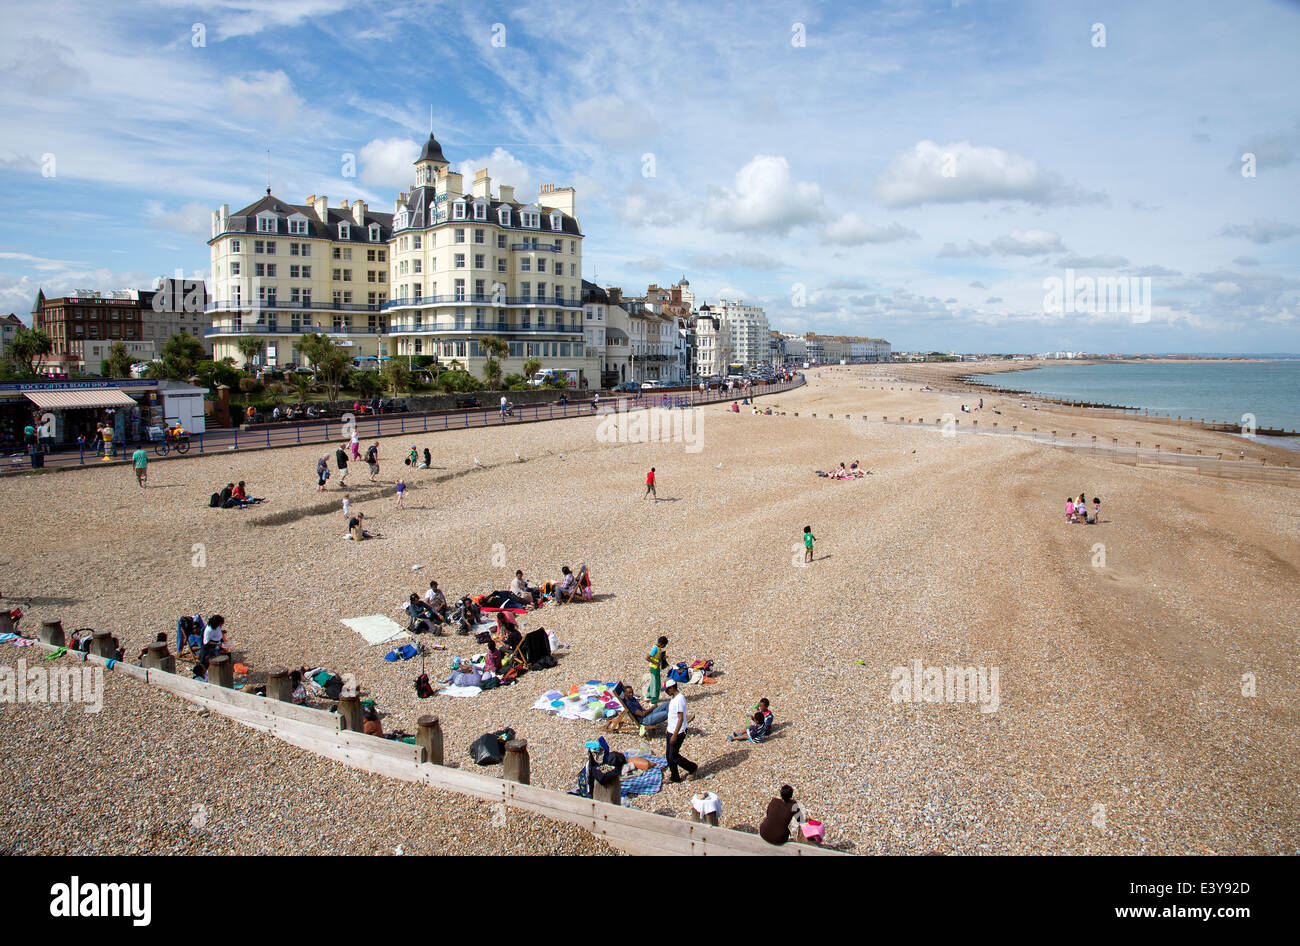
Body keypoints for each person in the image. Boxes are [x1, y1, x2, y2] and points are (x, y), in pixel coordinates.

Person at [663, 678, 697, 783]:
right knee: (668, 755)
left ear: (672, 688)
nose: (666, 692)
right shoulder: (673, 697)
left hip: (678, 732)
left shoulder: (679, 699)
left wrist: (674, 735)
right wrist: (668, 728)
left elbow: (680, 718)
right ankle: (675, 777)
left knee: (674, 755)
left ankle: (692, 767)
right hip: (671, 730)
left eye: (667, 690)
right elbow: (672, 716)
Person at [647, 635, 668, 703]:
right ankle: (654, 701)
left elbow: (657, 657)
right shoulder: (655, 649)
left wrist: (663, 657)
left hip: (655, 668)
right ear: (661, 644)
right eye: (664, 645)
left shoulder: (658, 648)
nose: (664, 647)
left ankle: (648, 696)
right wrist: (656, 663)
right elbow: (647, 657)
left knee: (653, 682)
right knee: (657, 685)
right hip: (654, 668)